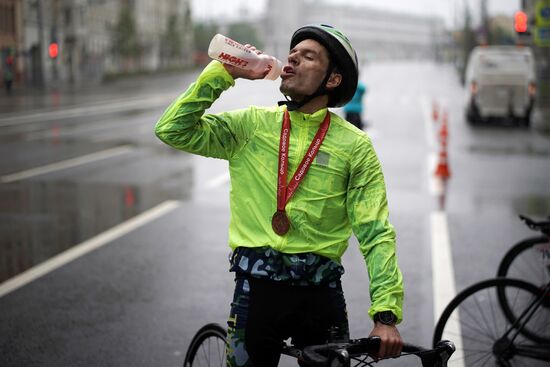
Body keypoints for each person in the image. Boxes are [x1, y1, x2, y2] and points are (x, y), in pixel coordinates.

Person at [155, 24, 403, 367]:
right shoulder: (251, 126)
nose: (293, 59)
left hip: (321, 294)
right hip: (257, 291)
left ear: (332, 80)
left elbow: (376, 232)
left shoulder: (355, 147)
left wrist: (386, 315)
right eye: (292, 54)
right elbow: (172, 129)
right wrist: (223, 73)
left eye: (308, 56)